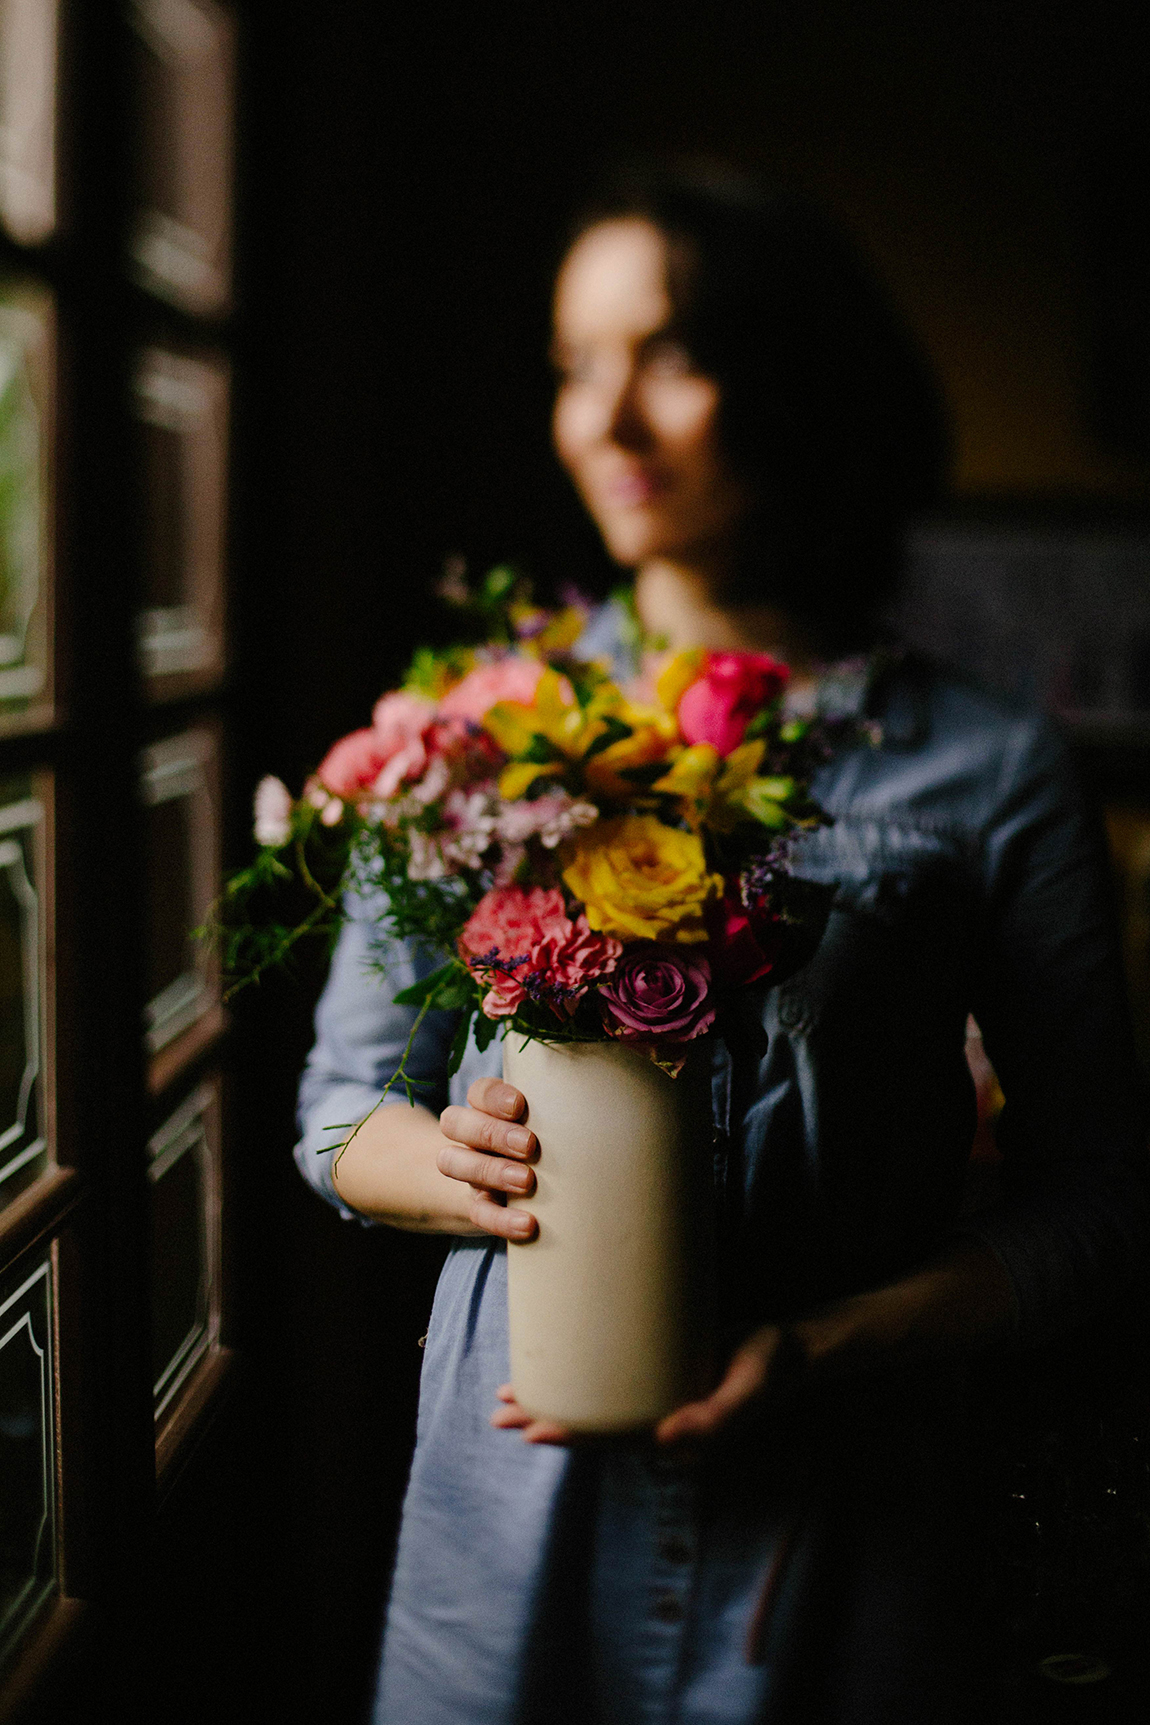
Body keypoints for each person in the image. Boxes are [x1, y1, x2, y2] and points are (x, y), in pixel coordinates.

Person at [295, 164, 1148, 1724]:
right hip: (510, 1519)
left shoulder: (987, 763)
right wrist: (457, 1169)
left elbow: (1099, 1200)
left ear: (796, 376)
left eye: (667, 356)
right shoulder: (479, 735)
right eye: (574, 364)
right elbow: (339, 1108)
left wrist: (828, 1344)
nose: (602, 422)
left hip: (842, 1536)